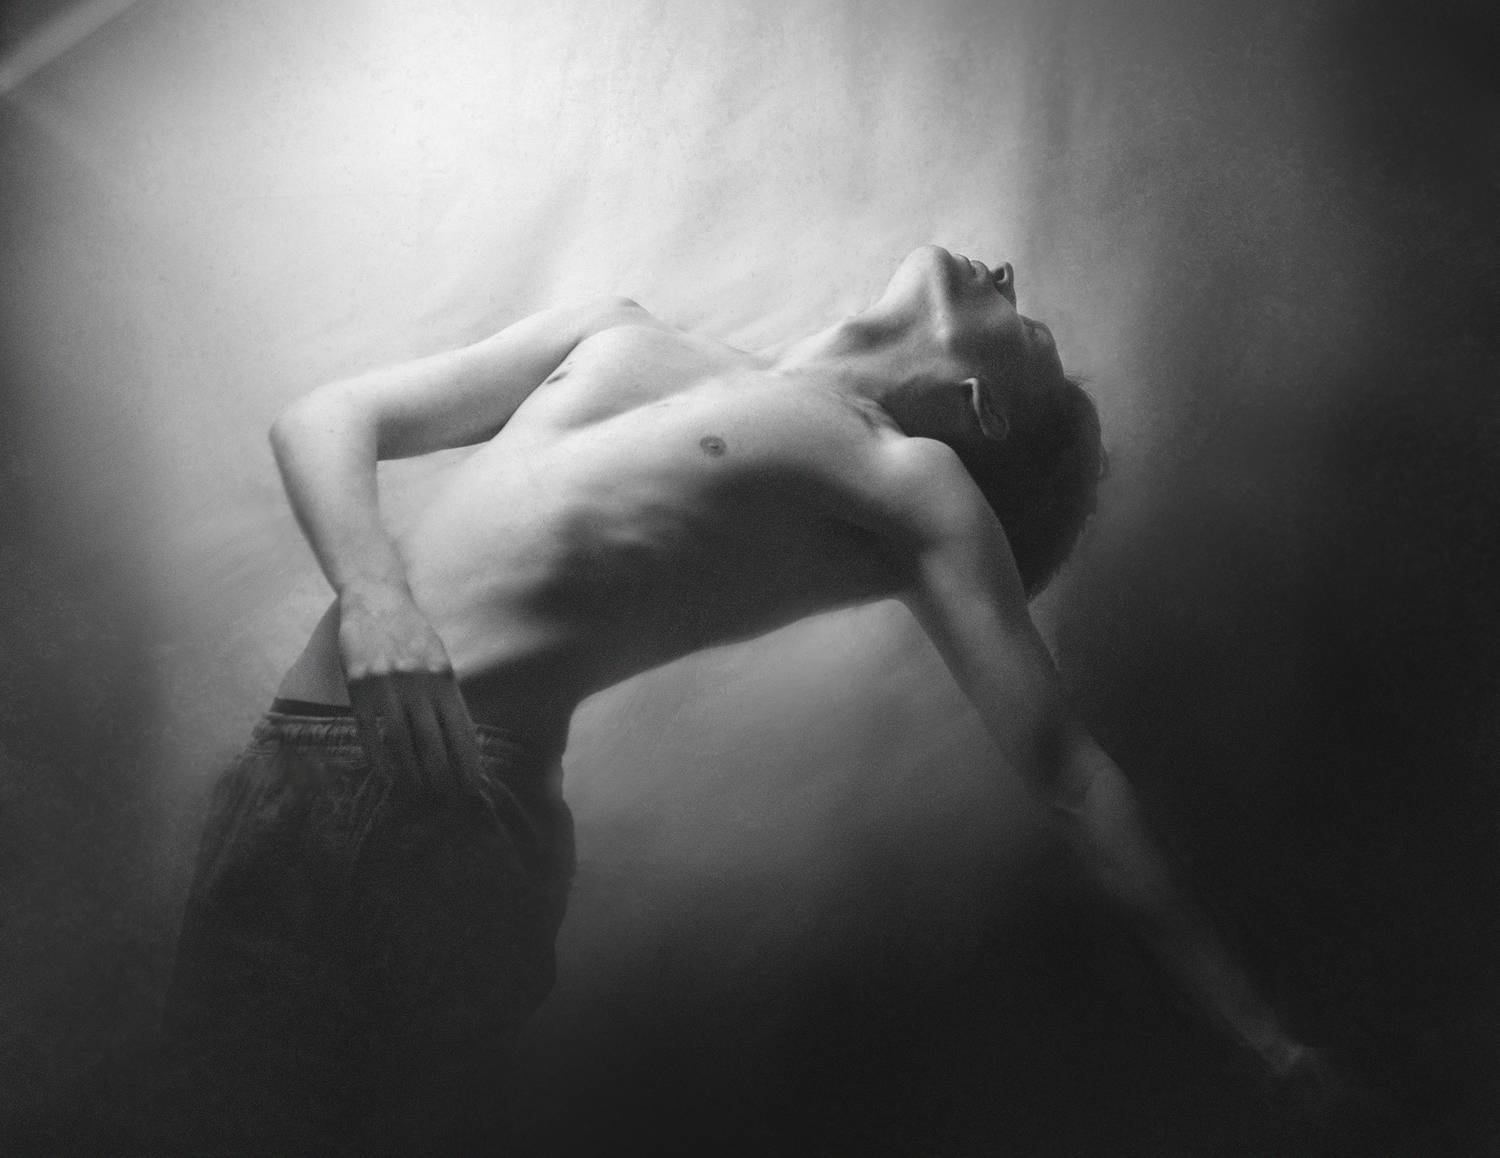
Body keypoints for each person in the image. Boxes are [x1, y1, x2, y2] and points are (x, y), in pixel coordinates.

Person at [162, 245, 1316, 1153]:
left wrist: (1258, 1035)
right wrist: (375, 596)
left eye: (1032, 327)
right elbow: (323, 419)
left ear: (986, 408)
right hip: (290, 760)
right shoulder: (618, 330)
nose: (1006, 276)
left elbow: (1068, 771)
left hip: (442, 804)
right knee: (194, 1112)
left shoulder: (901, 475)